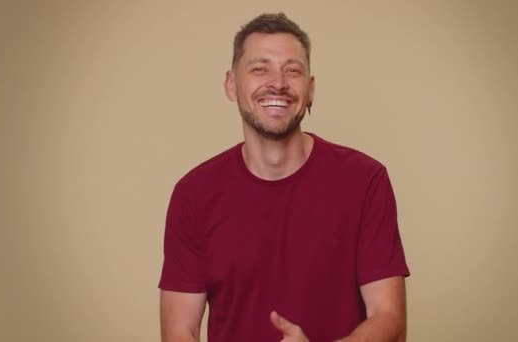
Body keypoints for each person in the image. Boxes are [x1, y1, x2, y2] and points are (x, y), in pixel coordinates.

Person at [159, 13, 410, 342]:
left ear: (310, 89)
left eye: (292, 70)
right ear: (231, 85)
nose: (277, 82)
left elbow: (389, 318)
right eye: (259, 68)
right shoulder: (193, 194)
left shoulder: (366, 181)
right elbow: (180, 330)